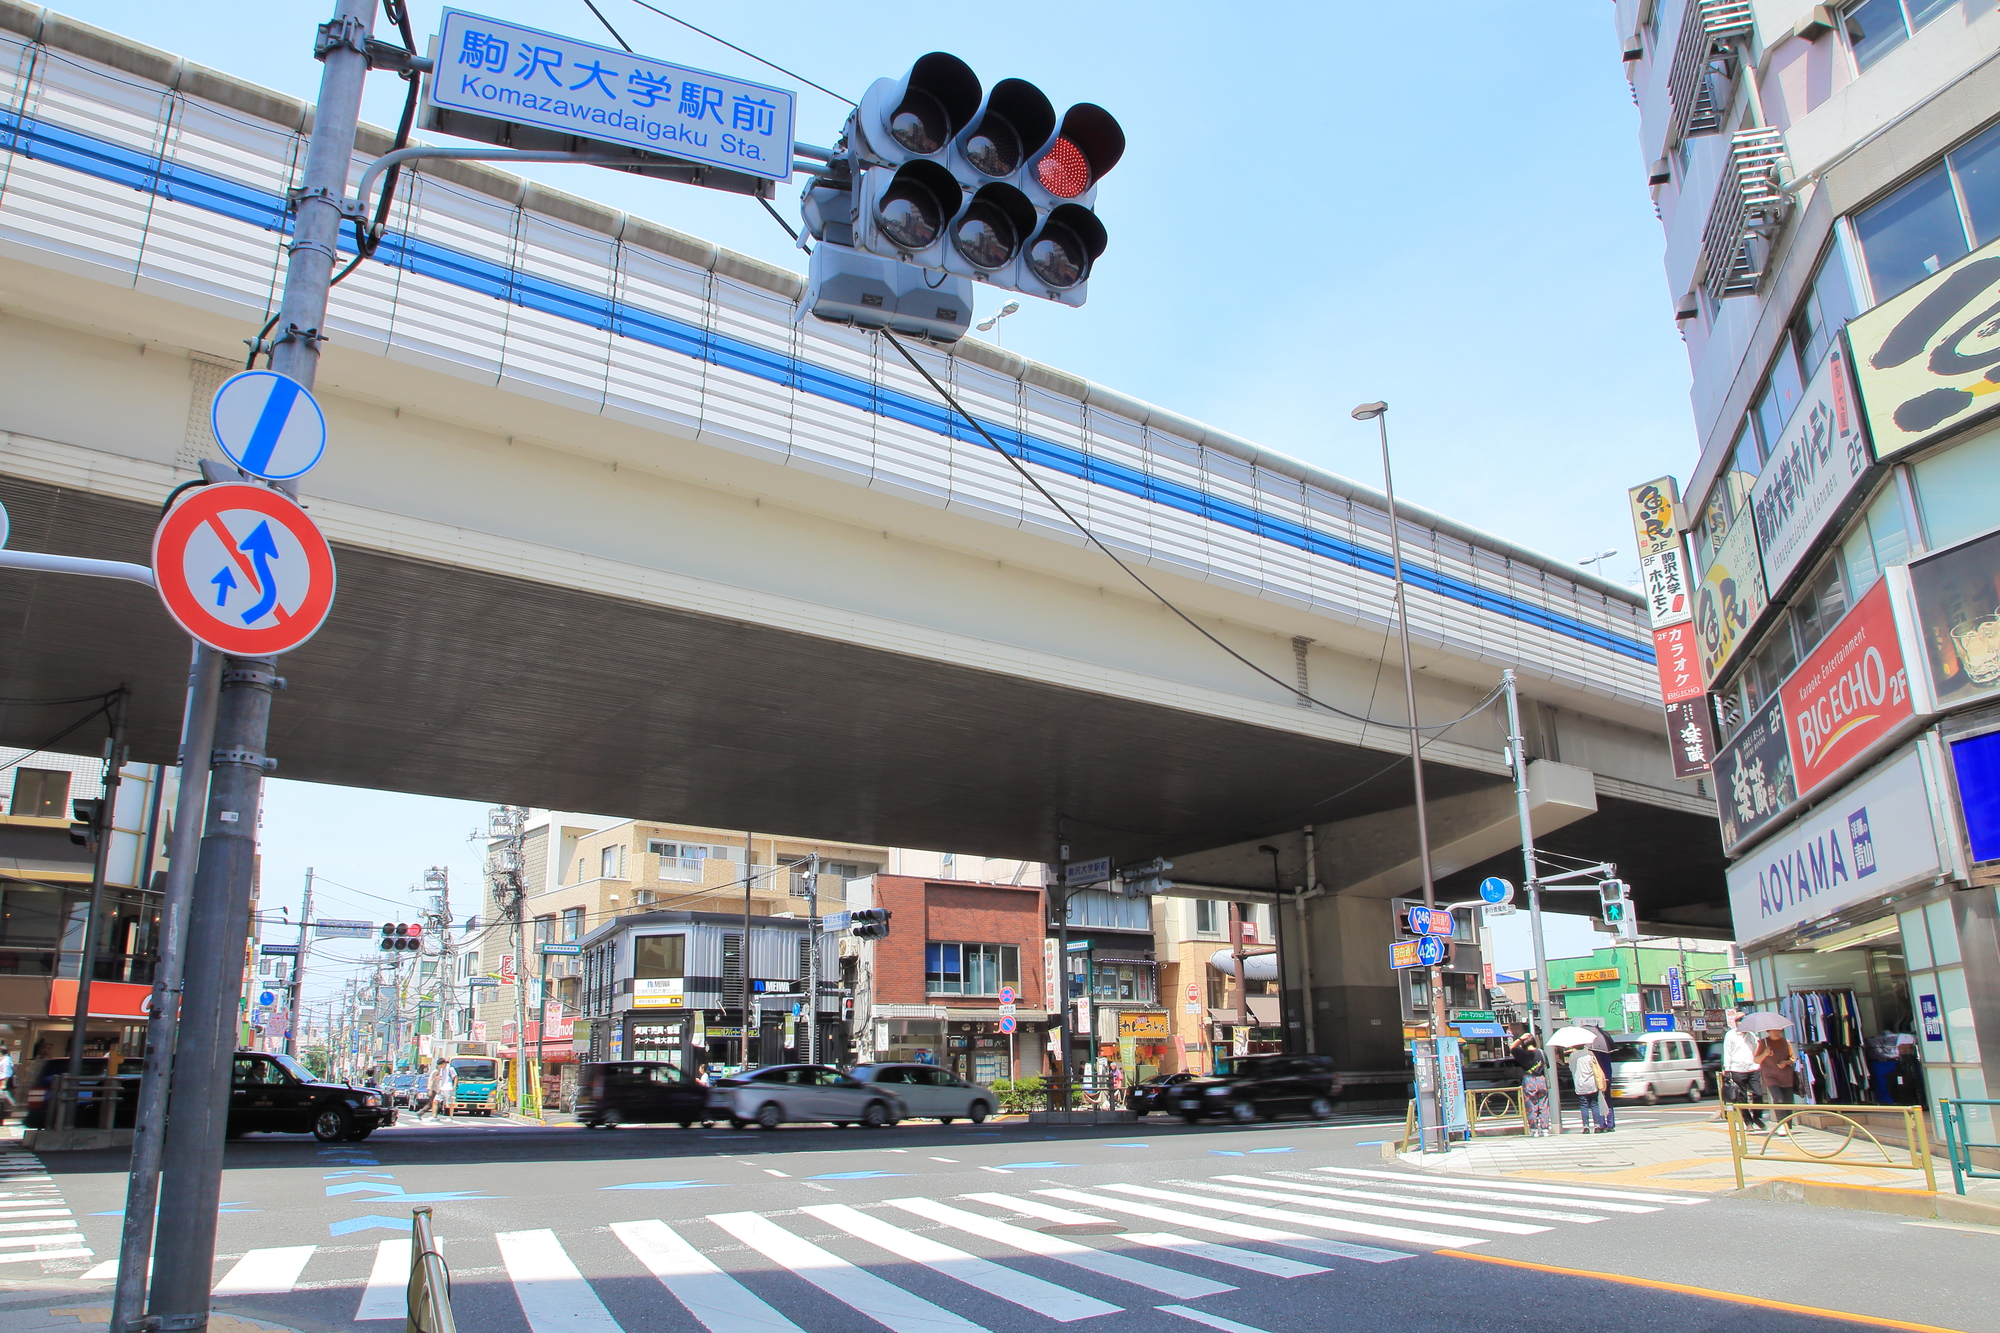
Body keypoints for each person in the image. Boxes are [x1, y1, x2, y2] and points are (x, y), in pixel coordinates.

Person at [1720, 1011, 1765, 1128]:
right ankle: (1748, 1122)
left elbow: (1756, 1051)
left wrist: (1758, 1064)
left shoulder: (1751, 1035)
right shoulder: (1730, 1035)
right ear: (1736, 1023)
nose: (1742, 1023)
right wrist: (1727, 1069)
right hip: (1737, 1069)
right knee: (1741, 1097)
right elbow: (1727, 1052)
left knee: (1758, 1094)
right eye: (1739, 1021)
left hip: (1752, 1068)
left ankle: (1757, 1116)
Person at [1510, 1031, 1551, 1136]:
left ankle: (1534, 1129)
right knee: (1544, 1105)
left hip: (1529, 1080)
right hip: (1541, 1080)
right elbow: (1547, 1066)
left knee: (1531, 1105)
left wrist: (1520, 1038)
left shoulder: (1523, 1054)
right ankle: (1545, 1129)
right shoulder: (1541, 1053)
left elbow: (1512, 1047)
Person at [1755, 1031, 1796, 1136]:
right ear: (1769, 1031)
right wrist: (1765, 1053)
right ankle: (1781, 1124)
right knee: (1778, 1099)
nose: (1777, 1032)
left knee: (1788, 1102)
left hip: (1785, 1075)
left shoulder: (1786, 1042)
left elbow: (1792, 1058)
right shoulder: (1763, 1043)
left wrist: (1786, 1062)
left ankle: (1788, 1126)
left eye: (1779, 1030)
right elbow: (1756, 1060)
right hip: (1770, 1076)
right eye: (1775, 1030)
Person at [1567, 1043, 1608, 1133]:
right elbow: (1595, 1067)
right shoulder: (1589, 1054)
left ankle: (1586, 1127)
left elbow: (1570, 1067)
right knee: (1594, 1104)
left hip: (1580, 1083)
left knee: (1584, 1105)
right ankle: (1597, 1126)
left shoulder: (1572, 1056)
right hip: (1591, 1082)